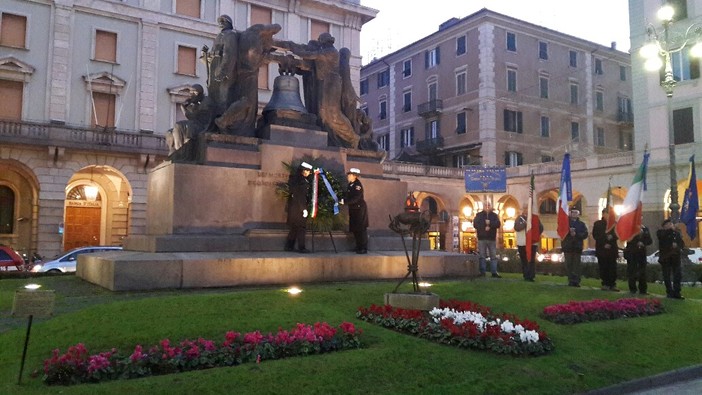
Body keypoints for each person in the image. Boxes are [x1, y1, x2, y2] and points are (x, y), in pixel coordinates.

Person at [285, 162, 313, 253]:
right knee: (301, 228)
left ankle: (289, 246)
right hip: (299, 209)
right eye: (307, 171)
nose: (308, 173)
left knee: (294, 228)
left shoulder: (297, 179)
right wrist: (303, 209)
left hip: (294, 208)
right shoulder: (302, 181)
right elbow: (300, 196)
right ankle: (301, 247)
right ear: (303, 171)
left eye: (308, 171)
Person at [592, 208, 620, 291]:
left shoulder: (615, 224)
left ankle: (613, 284)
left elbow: (619, 234)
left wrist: (613, 237)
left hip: (612, 249)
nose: (608, 215)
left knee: (612, 267)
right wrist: (604, 242)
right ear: (603, 214)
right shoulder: (598, 224)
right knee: (603, 267)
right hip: (602, 249)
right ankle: (605, 283)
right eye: (607, 213)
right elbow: (595, 235)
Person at [342, 168, 369, 254]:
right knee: (356, 229)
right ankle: (358, 246)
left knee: (361, 229)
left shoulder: (357, 185)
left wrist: (345, 202)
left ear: (354, 176)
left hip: (359, 209)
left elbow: (356, 198)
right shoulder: (351, 185)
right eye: (348, 175)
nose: (348, 176)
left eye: (350, 175)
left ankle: (363, 248)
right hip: (354, 209)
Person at [656, 219, 685, 299]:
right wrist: (670, 230)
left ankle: (677, 292)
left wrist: (678, 246)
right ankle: (669, 292)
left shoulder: (676, 233)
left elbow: (682, 243)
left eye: (671, 224)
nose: (670, 225)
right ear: (664, 226)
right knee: (667, 275)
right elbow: (663, 239)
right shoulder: (661, 232)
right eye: (668, 224)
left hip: (675, 257)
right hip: (666, 257)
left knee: (677, 275)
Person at [514, 204, 543, 282]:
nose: (525, 209)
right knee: (524, 259)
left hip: (532, 243)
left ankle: (531, 275)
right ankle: (526, 275)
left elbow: (540, 228)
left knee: (531, 259)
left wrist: (535, 235)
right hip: (522, 243)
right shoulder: (519, 218)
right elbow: (517, 227)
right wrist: (525, 224)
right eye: (524, 208)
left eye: (527, 208)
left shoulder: (535, 218)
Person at [472, 201, 502, 277]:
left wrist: (490, 224)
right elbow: (475, 225)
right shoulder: (479, 215)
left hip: (491, 238)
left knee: (493, 256)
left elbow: (498, 224)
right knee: (482, 256)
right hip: (482, 238)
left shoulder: (494, 215)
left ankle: (494, 272)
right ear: (483, 206)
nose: (487, 206)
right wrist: (484, 227)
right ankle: (482, 272)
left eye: (489, 205)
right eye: (486, 205)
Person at [561, 209, 589, 287]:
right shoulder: (565, 223)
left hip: (577, 247)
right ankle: (570, 280)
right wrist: (568, 232)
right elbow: (560, 232)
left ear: (578, 214)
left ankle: (576, 281)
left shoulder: (581, 224)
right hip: (568, 247)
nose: (574, 214)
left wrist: (576, 234)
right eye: (572, 212)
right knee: (569, 264)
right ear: (570, 213)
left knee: (576, 265)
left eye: (576, 212)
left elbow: (585, 234)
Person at [624, 220, 652, 295]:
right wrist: (636, 235)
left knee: (642, 271)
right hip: (632, 253)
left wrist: (643, 242)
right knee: (632, 271)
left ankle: (643, 289)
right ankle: (632, 289)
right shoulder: (630, 228)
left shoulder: (645, 229)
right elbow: (628, 239)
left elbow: (649, 240)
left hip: (641, 253)